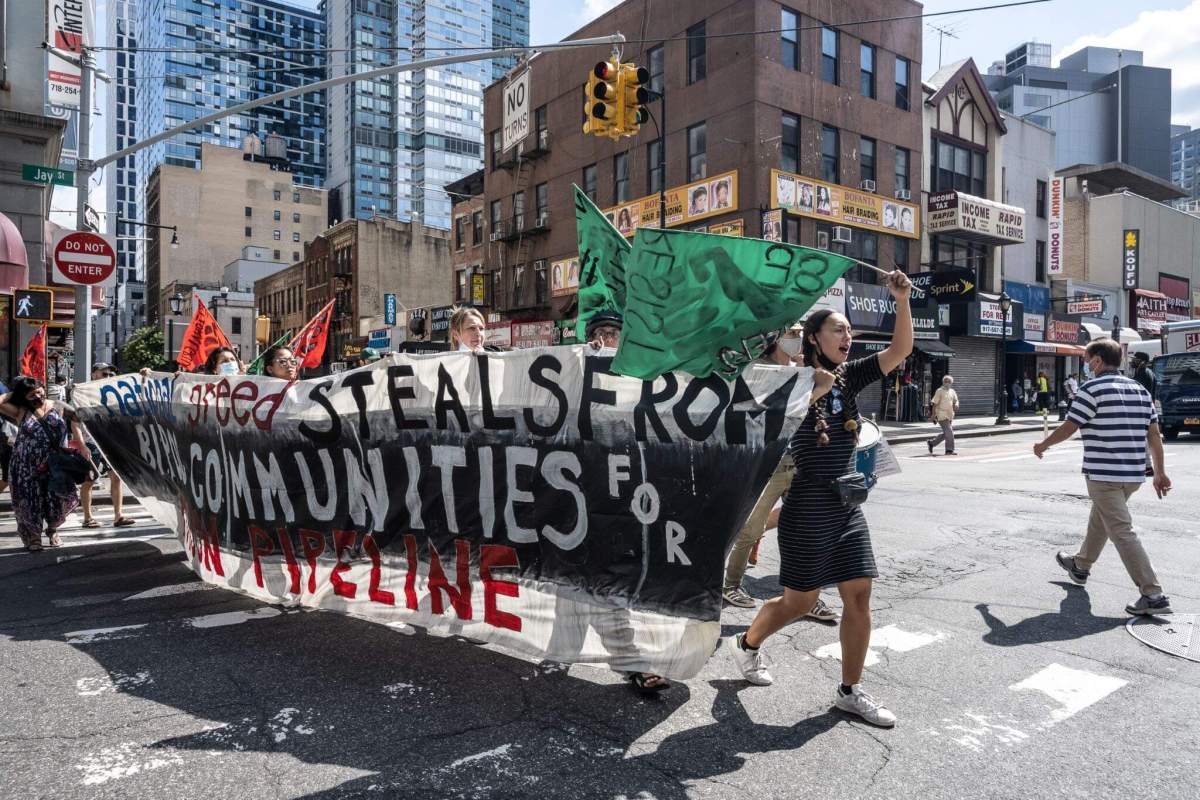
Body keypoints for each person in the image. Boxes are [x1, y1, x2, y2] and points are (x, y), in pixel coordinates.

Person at [729, 270, 914, 728]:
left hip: (846, 505)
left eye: (850, 330)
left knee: (859, 595)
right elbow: (761, 423)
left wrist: (902, 299)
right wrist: (812, 388)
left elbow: (899, 351)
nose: (847, 336)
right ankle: (748, 644)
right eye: (838, 329)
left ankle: (850, 691)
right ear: (813, 338)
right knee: (797, 602)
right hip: (807, 503)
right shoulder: (784, 379)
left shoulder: (849, 377)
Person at [1034, 338, 1173, 616]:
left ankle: (1153, 594)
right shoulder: (1139, 390)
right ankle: (1081, 565)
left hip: (1103, 474)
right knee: (1101, 519)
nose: (1086, 366)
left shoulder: (1091, 389)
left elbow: (1070, 426)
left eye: (1087, 361)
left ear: (1097, 361)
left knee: (1122, 531)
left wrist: (1044, 445)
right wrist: (1160, 472)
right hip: (1133, 476)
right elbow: (1154, 436)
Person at [722, 325, 837, 616]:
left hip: (800, 462)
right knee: (752, 529)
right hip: (769, 463)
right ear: (776, 339)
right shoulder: (760, 370)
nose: (797, 339)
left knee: (807, 532)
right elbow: (772, 417)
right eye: (791, 333)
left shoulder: (804, 371)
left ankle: (807, 597)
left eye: (800, 333)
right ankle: (731, 585)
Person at [0, 376, 95, 551]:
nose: (37, 396)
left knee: (56, 499)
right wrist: (16, 393)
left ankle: (52, 531)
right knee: (29, 501)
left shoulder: (58, 406)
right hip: (25, 466)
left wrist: (80, 443)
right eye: (31, 394)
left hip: (55, 464)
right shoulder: (20, 411)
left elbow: (78, 417)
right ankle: (34, 538)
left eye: (39, 391)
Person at [79, 363, 136, 529]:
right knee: (90, 479)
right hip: (92, 442)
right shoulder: (83, 392)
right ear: (94, 375)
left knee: (116, 478)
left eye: (111, 375)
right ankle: (87, 517)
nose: (109, 377)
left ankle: (119, 515)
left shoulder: (115, 393)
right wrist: (82, 444)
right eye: (104, 374)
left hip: (112, 442)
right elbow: (75, 421)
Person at [926, 375, 960, 456]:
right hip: (941, 414)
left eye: (949, 381)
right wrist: (933, 415)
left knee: (946, 433)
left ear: (951, 383)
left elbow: (956, 400)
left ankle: (932, 443)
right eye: (946, 381)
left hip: (950, 414)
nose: (947, 383)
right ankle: (949, 450)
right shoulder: (939, 391)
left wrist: (957, 404)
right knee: (949, 432)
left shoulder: (952, 391)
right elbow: (934, 403)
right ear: (943, 382)